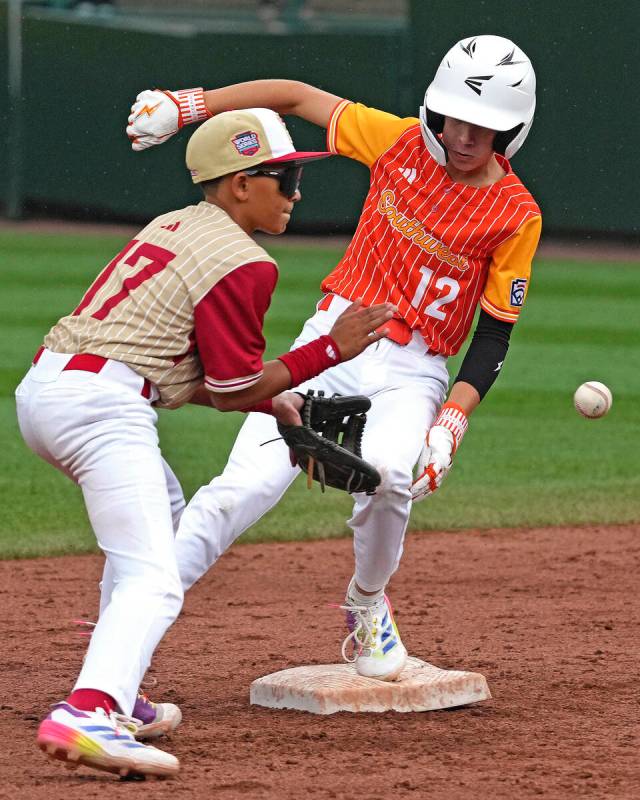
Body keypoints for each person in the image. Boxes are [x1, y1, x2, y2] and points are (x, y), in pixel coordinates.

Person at [126, 34, 541, 688]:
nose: (464, 135)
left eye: (484, 126)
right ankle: (130, 621)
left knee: (391, 477)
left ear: (513, 129)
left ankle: (366, 604)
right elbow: (293, 96)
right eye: (455, 117)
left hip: (415, 369)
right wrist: (187, 106)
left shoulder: (517, 215)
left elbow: (493, 335)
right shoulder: (397, 140)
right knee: (245, 487)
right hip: (334, 339)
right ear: (436, 111)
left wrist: (451, 423)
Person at [16, 108, 394, 779]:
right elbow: (228, 388)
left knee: (161, 514)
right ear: (240, 183)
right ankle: (90, 710)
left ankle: (118, 689)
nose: (295, 193)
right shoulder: (243, 261)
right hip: (101, 410)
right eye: (283, 178)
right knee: (156, 577)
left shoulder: (173, 224)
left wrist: (273, 395)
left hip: (50, 389)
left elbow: (180, 369)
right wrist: (329, 349)